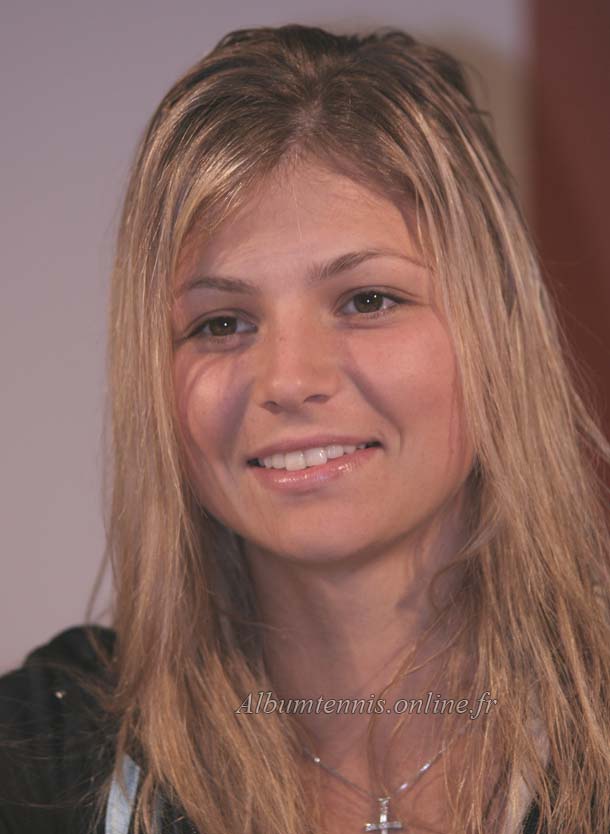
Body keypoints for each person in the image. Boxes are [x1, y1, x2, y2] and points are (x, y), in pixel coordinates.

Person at [1, 22, 609, 834]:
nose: (288, 381)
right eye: (221, 323)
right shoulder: (45, 753)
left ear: (497, 328)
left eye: (367, 301)